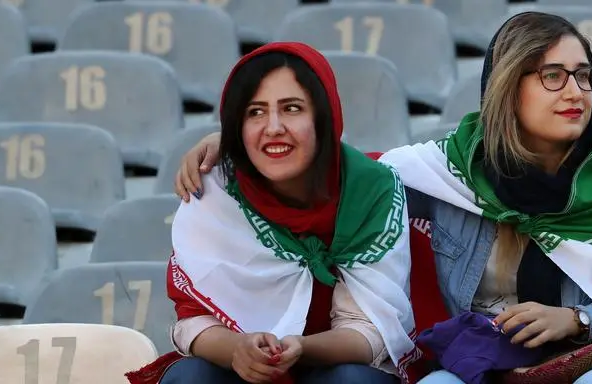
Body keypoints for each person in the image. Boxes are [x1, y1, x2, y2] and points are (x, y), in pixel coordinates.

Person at [173, 12, 592, 384]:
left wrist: (577, 321)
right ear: (506, 87)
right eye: (553, 76)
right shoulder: (448, 172)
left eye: (584, 75)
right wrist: (239, 143)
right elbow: (346, 172)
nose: (575, 91)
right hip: (480, 359)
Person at [127, 42, 424, 384]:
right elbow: (192, 322)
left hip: (332, 365)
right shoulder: (217, 186)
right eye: (255, 112)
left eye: (292, 108)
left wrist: (297, 347)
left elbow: (369, 333)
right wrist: (238, 348)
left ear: (323, 118)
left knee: (354, 380)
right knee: (192, 375)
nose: (273, 127)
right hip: (240, 368)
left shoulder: (370, 189)